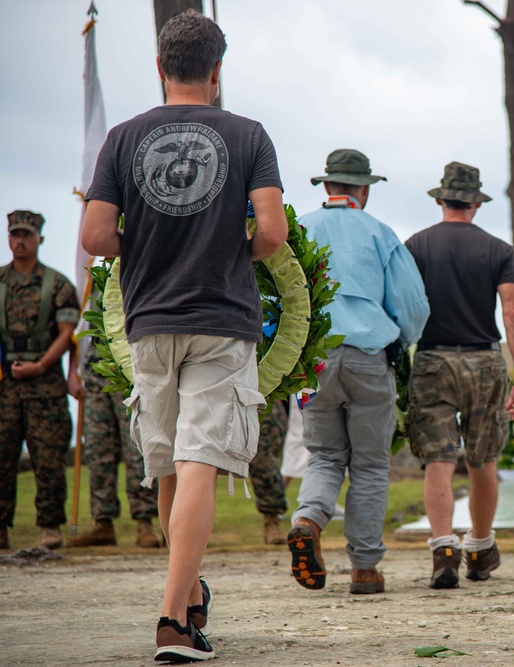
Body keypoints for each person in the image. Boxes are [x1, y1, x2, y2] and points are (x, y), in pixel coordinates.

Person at [82, 10, 287, 662]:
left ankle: (189, 589)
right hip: (220, 318)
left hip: (149, 319)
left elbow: (93, 237)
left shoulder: (121, 138)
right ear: (217, 71)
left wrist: (139, 246)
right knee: (198, 459)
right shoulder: (249, 135)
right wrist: (237, 248)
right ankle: (174, 618)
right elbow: (274, 233)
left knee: (168, 460)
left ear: (160, 67)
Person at [288, 148, 429, 594]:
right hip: (369, 356)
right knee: (369, 466)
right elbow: (411, 305)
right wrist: (400, 340)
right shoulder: (380, 233)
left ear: (326, 185)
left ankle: (308, 520)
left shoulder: (300, 230)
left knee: (325, 455)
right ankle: (364, 570)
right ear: (365, 189)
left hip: (314, 359)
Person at [405, 162, 514, 588]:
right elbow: (511, 314)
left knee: (438, 460)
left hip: (433, 358)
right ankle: (479, 547)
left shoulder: (417, 245)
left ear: (441, 199)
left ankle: (443, 548)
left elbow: (405, 306)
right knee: (483, 458)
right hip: (484, 361)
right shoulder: (498, 250)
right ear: (476, 202)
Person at [0, 210, 79, 551]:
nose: (20, 240)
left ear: (40, 239)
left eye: (27, 234)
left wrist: (41, 365)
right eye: (14, 233)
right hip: (5, 384)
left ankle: (50, 526)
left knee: (48, 458)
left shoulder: (57, 284)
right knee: (2, 457)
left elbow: (67, 334)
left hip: (45, 382)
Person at [66, 347, 162, 549]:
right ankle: (103, 522)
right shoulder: (85, 313)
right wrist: (74, 372)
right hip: (94, 371)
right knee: (97, 450)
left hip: (127, 370)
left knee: (137, 449)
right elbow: (77, 338)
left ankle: (145, 522)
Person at [250, 405, 289, 545]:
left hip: (257, 395)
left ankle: (271, 520)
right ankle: (194, 526)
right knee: (199, 462)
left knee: (265, 460)